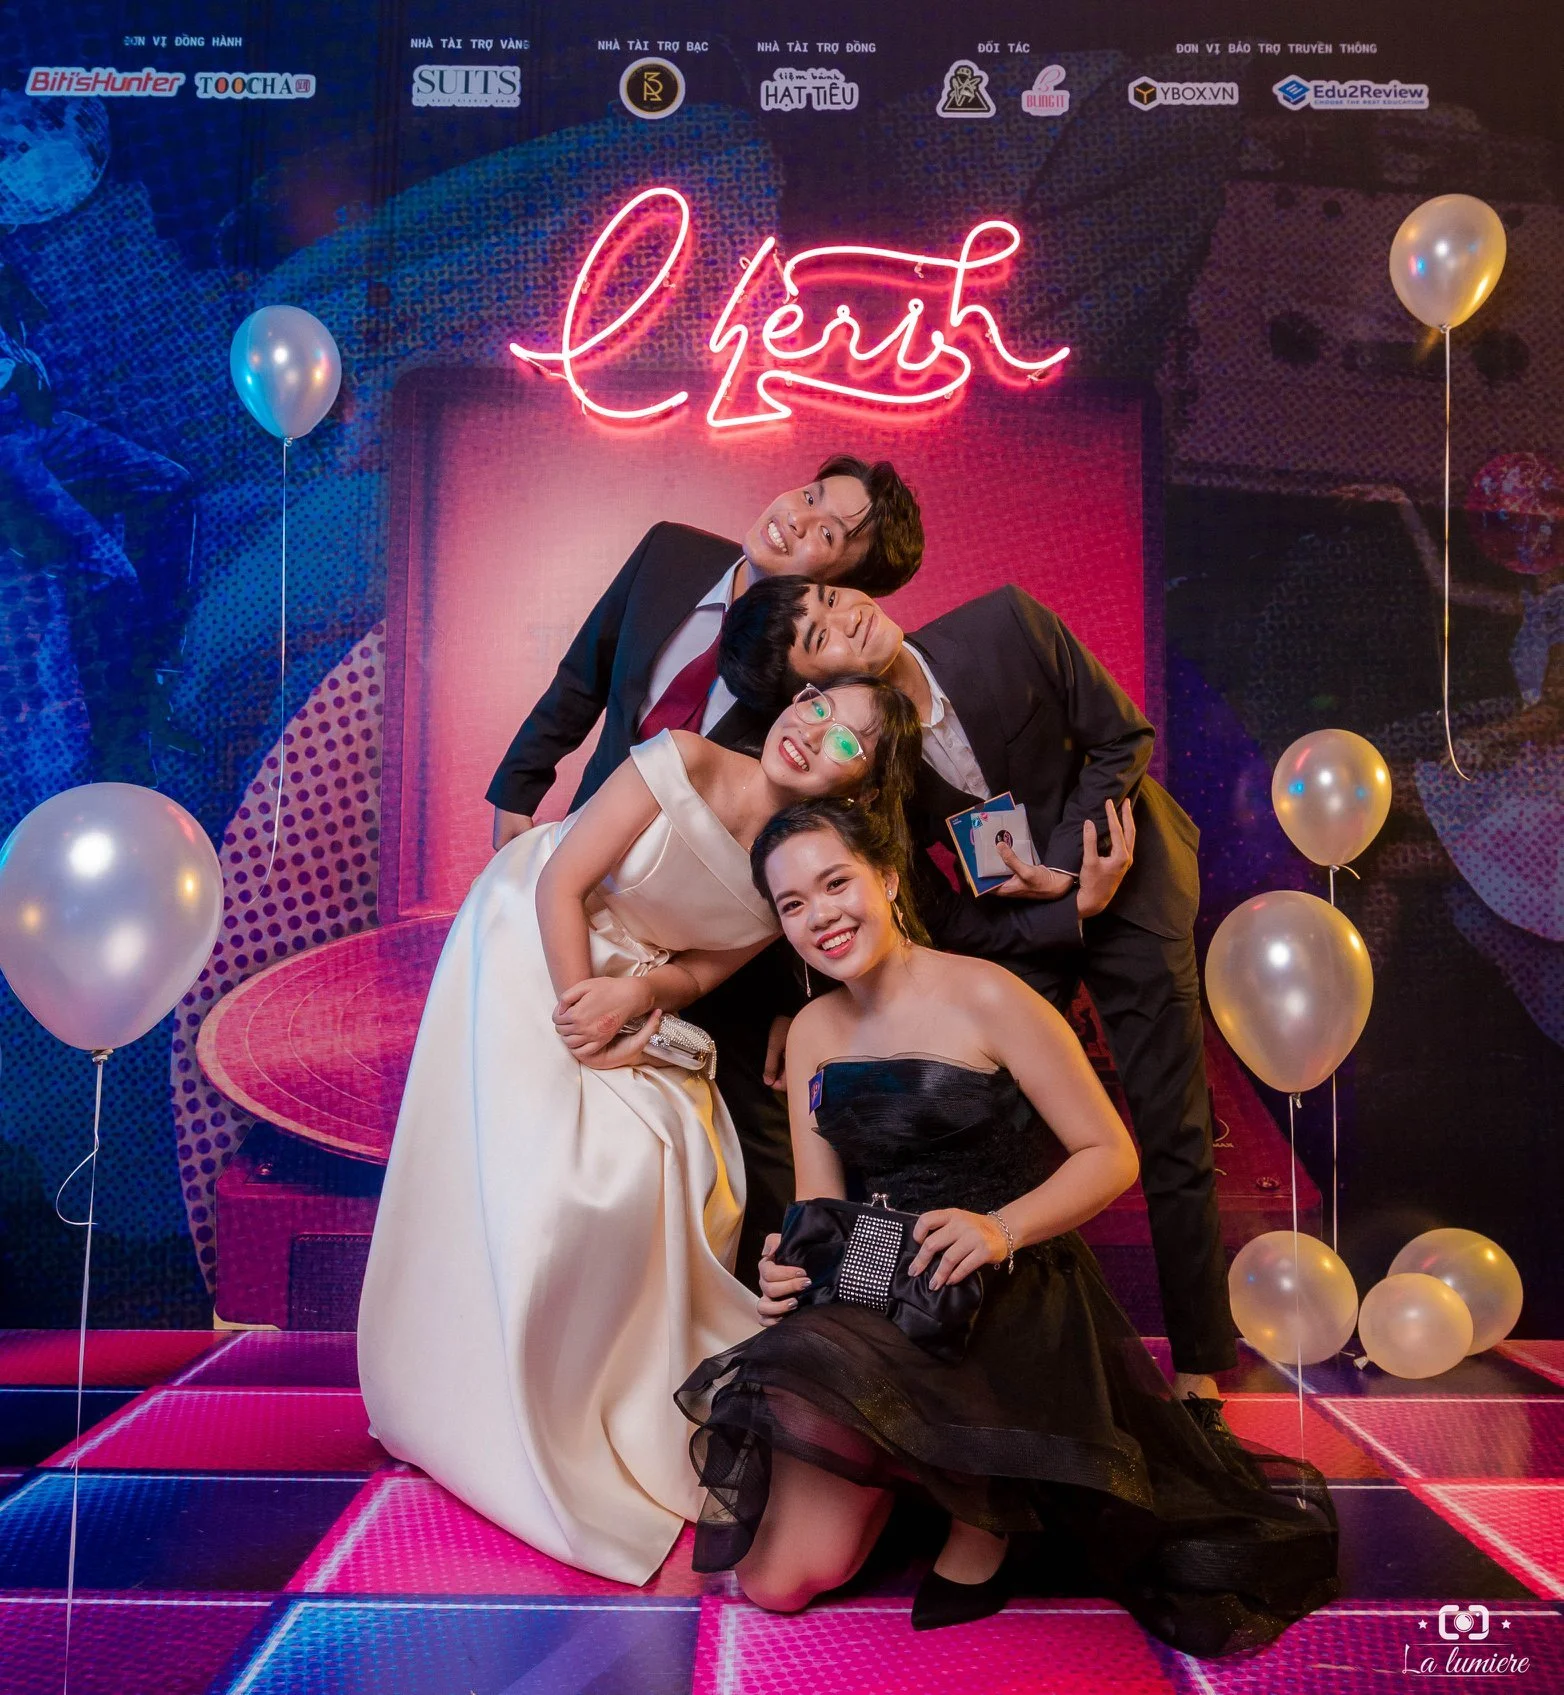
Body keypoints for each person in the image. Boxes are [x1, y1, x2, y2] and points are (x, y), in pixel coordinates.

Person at [677, 801, 1338, 1653]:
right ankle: (925, 1468)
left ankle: (996, 1503)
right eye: (793, 904)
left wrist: (999, 1228)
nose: (820, 915)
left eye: (835, 882)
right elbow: (821, 1205)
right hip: (881, 1291)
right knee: (774, 1582)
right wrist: (789, 1264)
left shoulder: (991, 994)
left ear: (883, 876)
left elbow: (1110, 1154)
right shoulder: (810, 1031)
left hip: (1006, 1289)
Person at [359, 677, 923, 1586]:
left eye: (847, 743)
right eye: (817, 706)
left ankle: (615, 1399)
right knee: (580, 1173)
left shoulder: (791, 862)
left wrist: (637, 996)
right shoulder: (688, 755)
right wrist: (583, 1004)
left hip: (628, 984)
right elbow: (561, 879)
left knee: (682, 1156)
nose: (813, 733)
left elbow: (700, 972)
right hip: (533, 933)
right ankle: (480, 1399)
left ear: (857, 791)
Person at [718, 576, 1236, 1416]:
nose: (840, 615)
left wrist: (1074, 873)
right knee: (989, 1106)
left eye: (827, 596)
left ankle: (1201, 1361)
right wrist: (1061, 911)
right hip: (1021, 928)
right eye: (815, 636)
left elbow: (1121, 739)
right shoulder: (864, 754)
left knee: (1168, 1121)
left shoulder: (1006, 622)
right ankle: (1000, 1329)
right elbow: (927, 911)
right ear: (808, 690)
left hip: (1127, 880)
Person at [483, 456, 924, 1281]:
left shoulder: (812, 696)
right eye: (812, 495)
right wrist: (519, 787)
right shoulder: (669, 553)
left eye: (828, 535)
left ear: (841, 589)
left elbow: (831, 836)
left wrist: (810, 1002)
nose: (798, 517)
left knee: (746, 1139)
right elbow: (582, 677)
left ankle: (792, 1314)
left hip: (706, 934)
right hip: (589, 870)